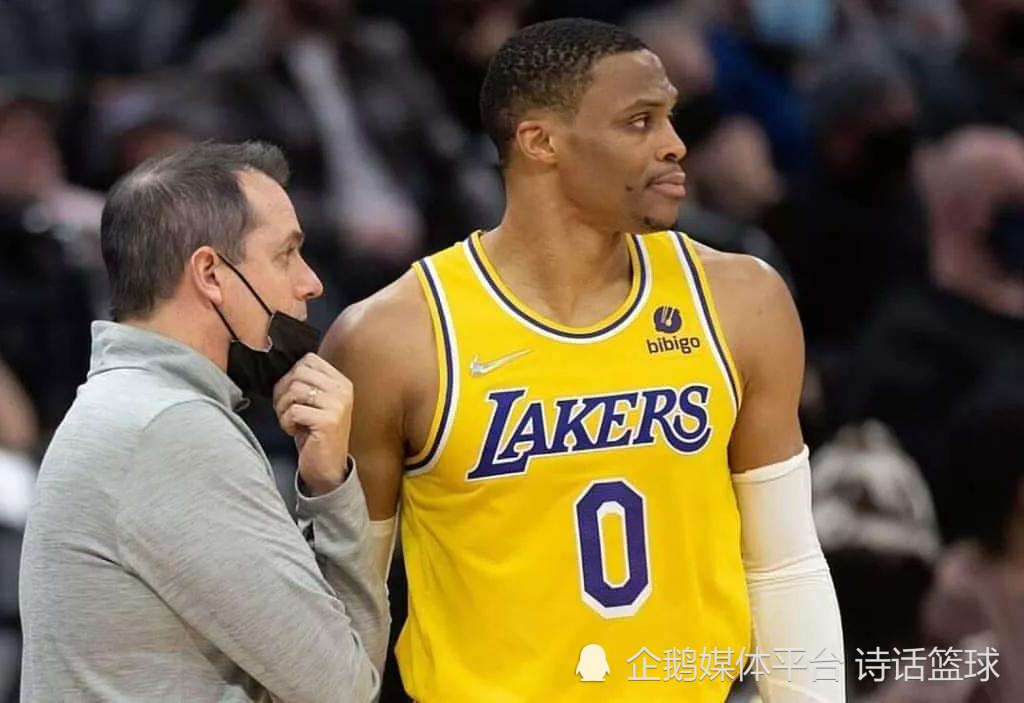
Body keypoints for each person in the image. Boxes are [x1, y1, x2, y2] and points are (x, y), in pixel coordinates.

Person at [304, 18, 844, 702]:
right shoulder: (392, 339)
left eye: (670, 118)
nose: (675, 145)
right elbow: (349, 610)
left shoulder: (742, 300)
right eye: (640, 121)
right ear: (540, 142)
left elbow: (785, 563)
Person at [19, 142, 388, 701]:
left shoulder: (135, 409)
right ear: (211, 273)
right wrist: (332, 492)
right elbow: (345, 689)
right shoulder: (169, 431)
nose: (311, 282)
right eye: (287, 255)